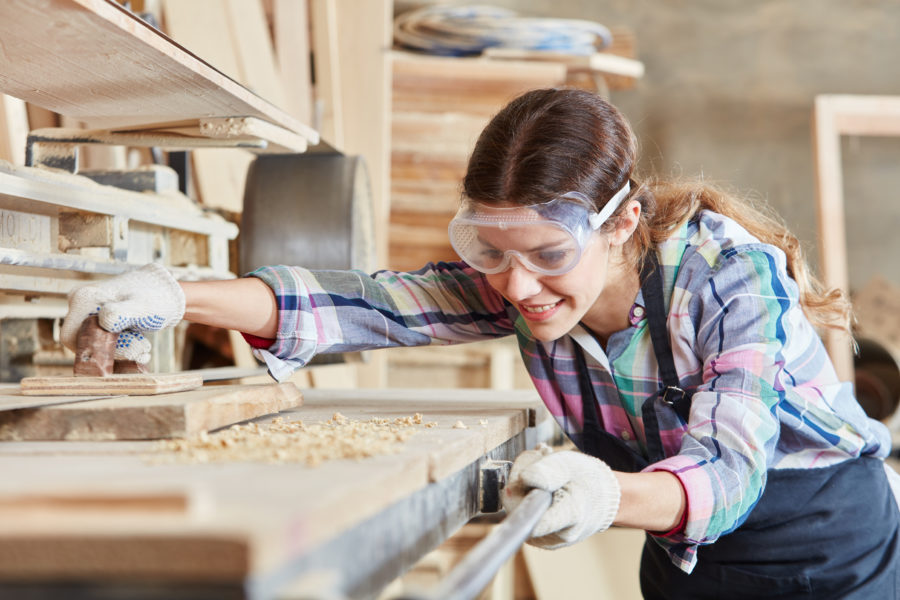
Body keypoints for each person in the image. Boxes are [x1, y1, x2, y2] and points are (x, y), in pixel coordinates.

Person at [60, 88, 899, 598]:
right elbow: (372, 305)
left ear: (624, 224)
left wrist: (608, 496)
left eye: (548, 256)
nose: (517, 286)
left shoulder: (725, 275)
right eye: (491, 252)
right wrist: (175, 294)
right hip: (686, 566)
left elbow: (730, 472)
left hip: (825, 550)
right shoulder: (520, 281)